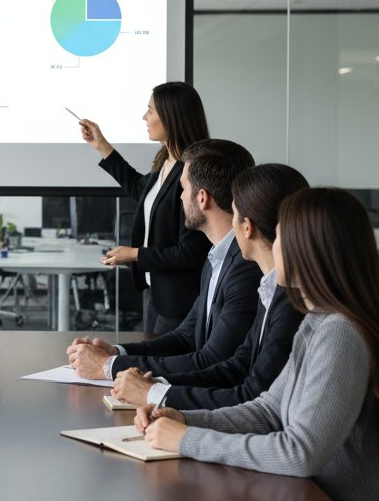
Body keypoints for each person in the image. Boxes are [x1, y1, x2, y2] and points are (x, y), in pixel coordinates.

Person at [135, 188, 379, 501]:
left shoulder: (341, 333)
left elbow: (300, 453)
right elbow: (269, 411)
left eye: (280, 235)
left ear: (307, 249)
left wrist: (186, 440)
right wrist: (186, 419)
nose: (274, 244)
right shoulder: (319, 320)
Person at [110, 163, 309, 409]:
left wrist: (155, 393)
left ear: (247, 227)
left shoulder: (284, 295)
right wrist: (156, 385)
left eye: (234, 214)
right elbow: (238, 366)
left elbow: (254, 395)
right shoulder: (267, 286)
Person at [68, 139, 260, 381]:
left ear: (202, 198)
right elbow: (185, 337)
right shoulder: (217, 257)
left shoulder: (245, 268)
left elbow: (211, 361)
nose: (180, 198)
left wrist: (108, 366)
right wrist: (116, 352)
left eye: (183, 189)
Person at [78, 82, 211, 336]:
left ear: (171, 117)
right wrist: (102, 145)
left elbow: (189, 253)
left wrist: (135, 254)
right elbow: (142, 190)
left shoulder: (192, 172)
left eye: (150, 111)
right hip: (157, 292)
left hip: (179, 300)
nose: (144, 117)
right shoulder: (167, 161)